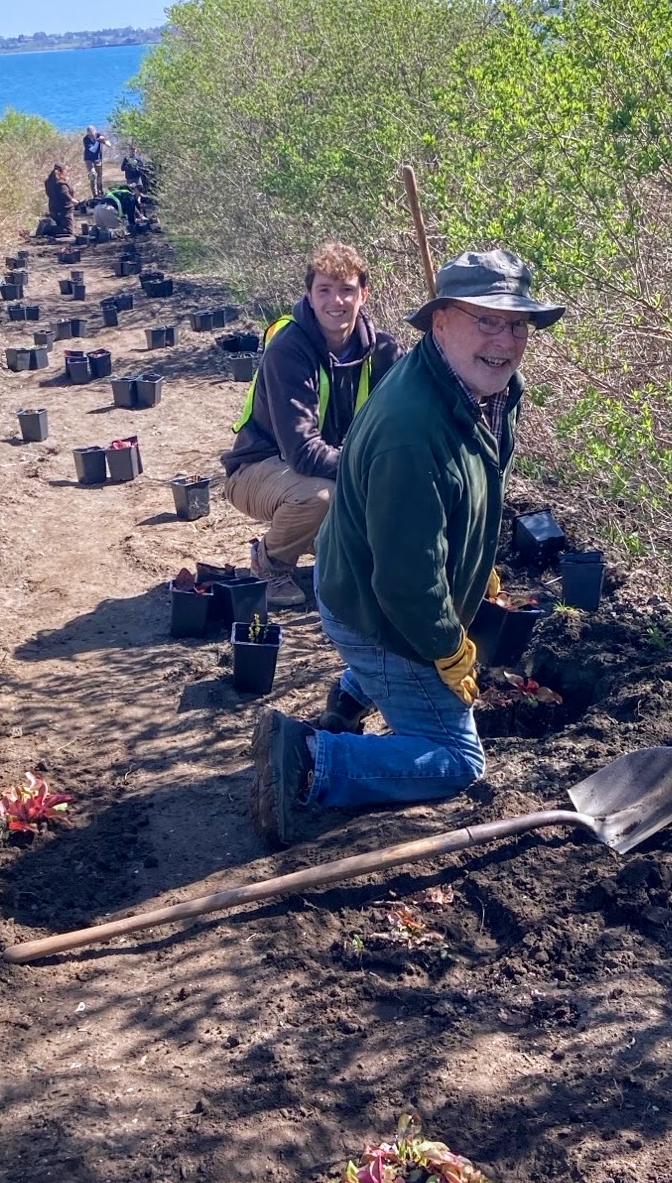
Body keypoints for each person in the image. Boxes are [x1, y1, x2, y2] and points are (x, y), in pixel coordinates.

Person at [250, 249, 566, 846]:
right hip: (374, 608)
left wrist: (480, 571)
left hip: (375, 588)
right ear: (439, 322)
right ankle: (311, 757)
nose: (506, 339)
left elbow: (462, 502)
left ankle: (352, 692)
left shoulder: (486, 388)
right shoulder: (412, 432)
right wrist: (449, 648)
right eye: (487, 320)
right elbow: (405, 583)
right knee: (456, 758)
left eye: (517, 324)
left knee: (428, 645)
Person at [222, 242, 400, 609]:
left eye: (347, 290)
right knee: (320, 497)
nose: (336, 301)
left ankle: (326, 546)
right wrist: (369, 472)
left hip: (329, 468)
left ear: (363, 295)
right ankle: (270, 563)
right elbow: (302, 453)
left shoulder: (383, 351)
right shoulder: (288, 349)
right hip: (258, 469)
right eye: (325, 290)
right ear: (309, 295)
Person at [44, 164, 75, 237]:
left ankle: (50, 228)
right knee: (68, 231)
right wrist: (74, 201)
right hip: (64, 210)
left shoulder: (49, 182)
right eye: (65, 171)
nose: (66, 173)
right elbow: (65, 194)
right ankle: (47, 229)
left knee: (63, 227)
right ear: (61, 172)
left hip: (54, 209)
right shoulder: (61, 184)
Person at [83, 127, 108, 198]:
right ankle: (95, 194)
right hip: (89, 159)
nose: (91, 135)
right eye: (89, 133)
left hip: (97, 158)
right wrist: (98, 141)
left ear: (94, 132)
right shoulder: (86, 139)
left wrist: (105, 141)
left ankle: (101, 191)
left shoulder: (98, 134)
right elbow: (93, 150)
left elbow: (105, 140)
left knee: (99, 176)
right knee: (93, 175)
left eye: (92, 133)